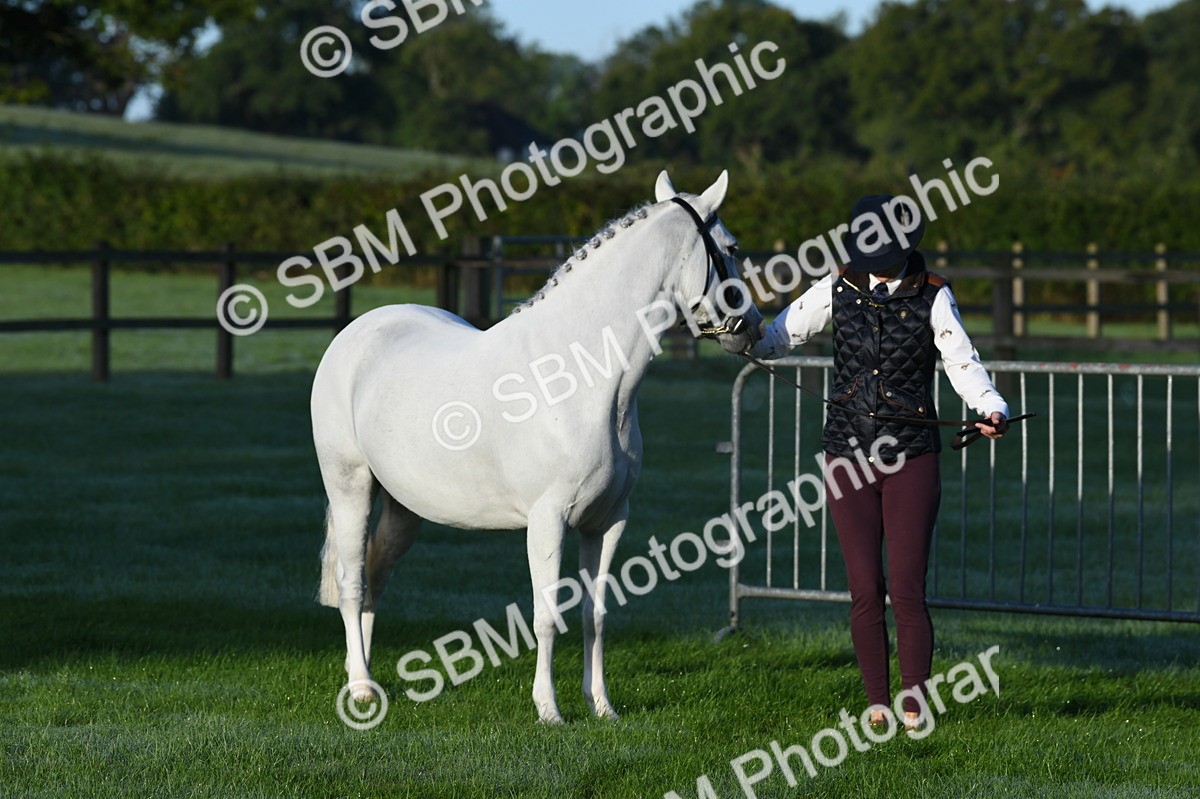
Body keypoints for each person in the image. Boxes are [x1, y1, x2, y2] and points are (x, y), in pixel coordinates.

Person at [749, 194, 1008, 729]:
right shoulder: (835, 286)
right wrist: (740, 338)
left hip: (911, 457)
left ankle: (914, 701)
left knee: (907, 587)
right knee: (865, 587)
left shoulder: (934, 295)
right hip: (846, 453)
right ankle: (876, 703)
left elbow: (962, 361)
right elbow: (779, 336)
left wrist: (990, 406)